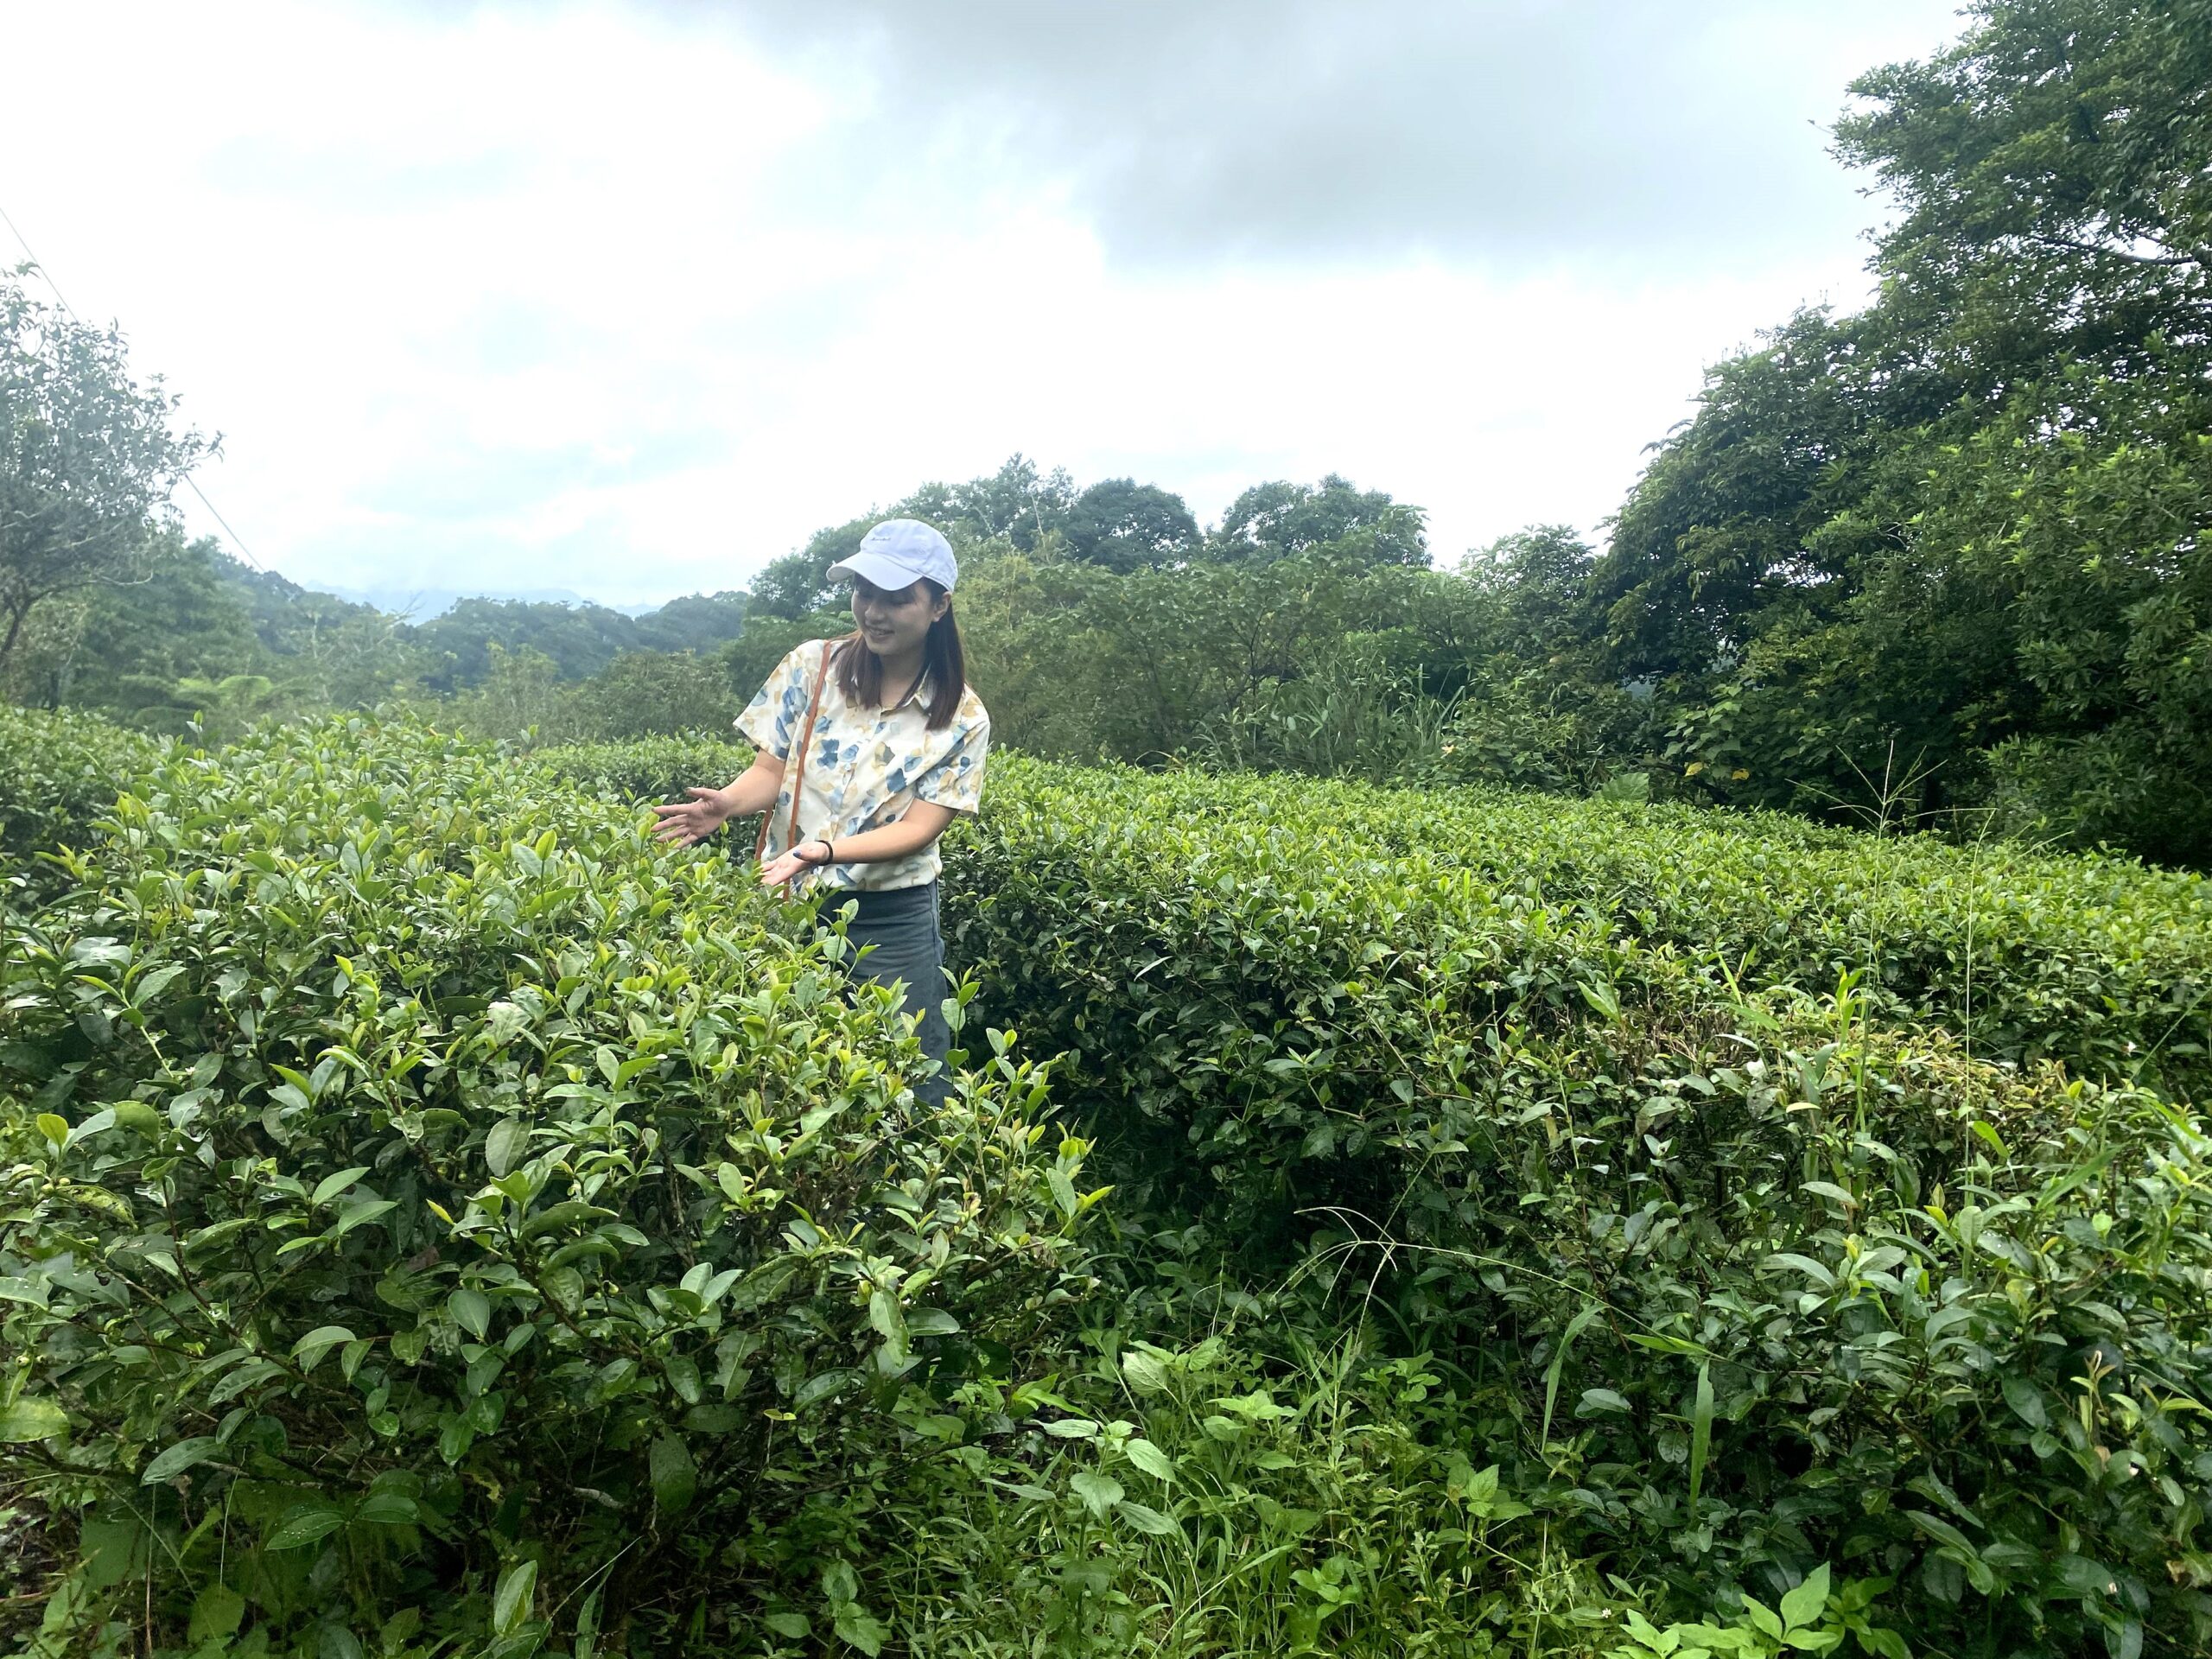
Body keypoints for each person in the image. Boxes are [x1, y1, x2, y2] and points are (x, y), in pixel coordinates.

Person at [652, 518, 988, 1104]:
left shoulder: (962, 717)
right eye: (864, 592)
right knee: (783, 1058)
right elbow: (770, 771)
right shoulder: (814, 666)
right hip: (790, 898)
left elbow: (918, 830)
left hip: (892, 917)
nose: (873, 612)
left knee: (910, 1072)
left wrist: (823, 852)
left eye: (895, 598)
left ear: (939, 604)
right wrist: (727, 805)